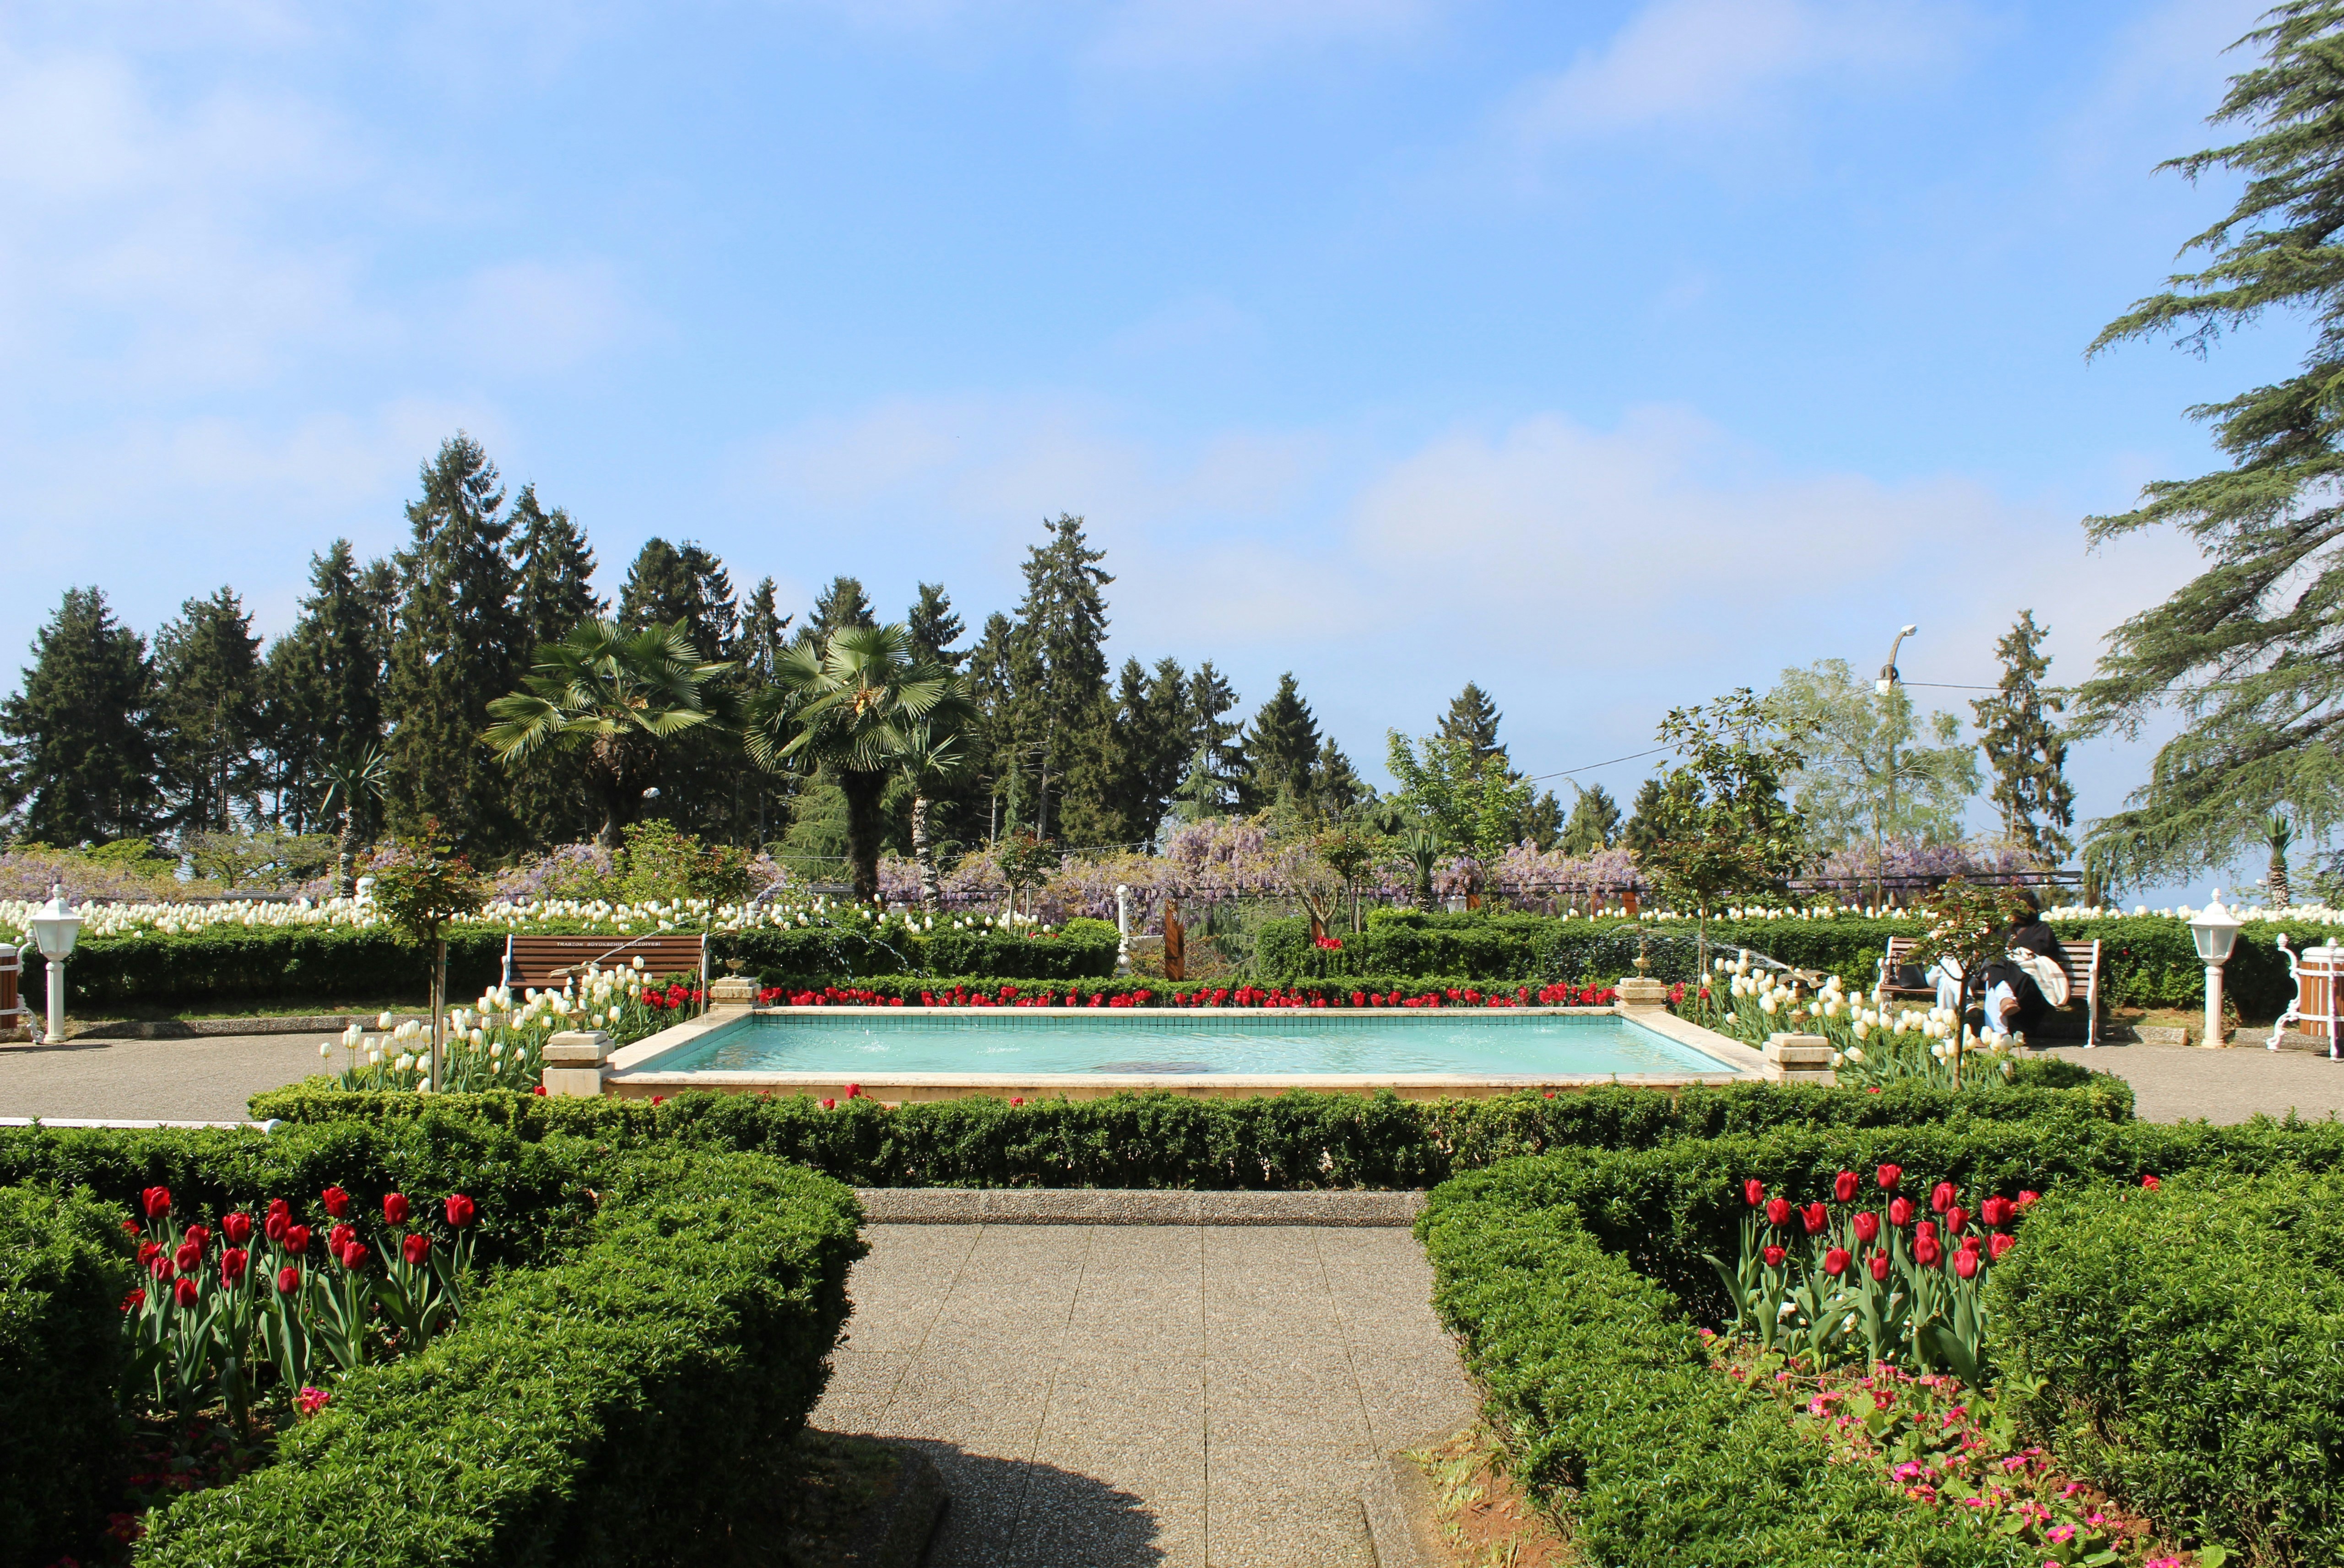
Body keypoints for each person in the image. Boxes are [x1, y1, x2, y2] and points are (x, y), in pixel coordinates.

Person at [1928, 894, 2067, 1042]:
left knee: (1993, 976)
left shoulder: (2041, 928)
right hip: (1982, 972)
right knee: (1969, 973)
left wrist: (2009, 950)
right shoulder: (2004, 929)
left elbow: (2040, 949)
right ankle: (1997, 1025)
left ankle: (1990, 1033)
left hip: (2018, 978)